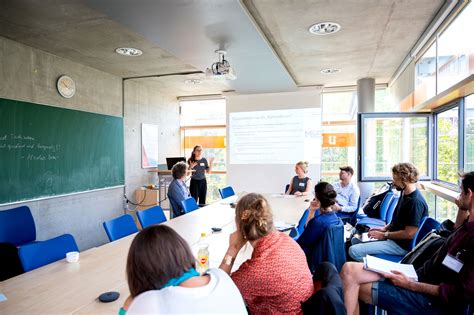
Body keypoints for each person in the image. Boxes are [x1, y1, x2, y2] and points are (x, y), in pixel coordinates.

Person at [341, 171, 474, 315]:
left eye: (461, 192)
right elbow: (456, 229)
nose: (458, 196)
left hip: (429, 295)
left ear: (470, 194)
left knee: (354, 284)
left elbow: (461, 292)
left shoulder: (471, 237)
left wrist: (411, 284)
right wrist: (462, 205)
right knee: (349, 270)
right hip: (417, 272)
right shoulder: (466, 225)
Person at [219, 193, 314, 314]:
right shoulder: (286, 240)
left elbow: (221, 288)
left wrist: (233, 248)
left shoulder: (257, 270)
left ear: (240, 225)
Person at [122, 225, 247, 314]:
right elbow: (224, 270)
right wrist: (233, 248)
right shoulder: (222, 277)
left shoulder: (149, 302)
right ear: (183, 251)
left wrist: (131, 303)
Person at [348, 162, 428, 262]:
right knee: (355, 240)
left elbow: (410, 234)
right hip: (392, 238)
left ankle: (382, 269)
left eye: (395, 179)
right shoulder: (404, 193)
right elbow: (397, 219)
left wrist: (384, 235)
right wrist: (383, 229)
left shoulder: (415, 202)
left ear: (403, 179)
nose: (393, 182)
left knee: (353, 251)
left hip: (401, 246)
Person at [297, 182, 340, 257]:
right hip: (326, 257)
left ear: (317, 198)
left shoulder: (317, 222)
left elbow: (300, 243)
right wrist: (312, 211)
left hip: (311, 257)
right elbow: (308, 229)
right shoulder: (336, 218)